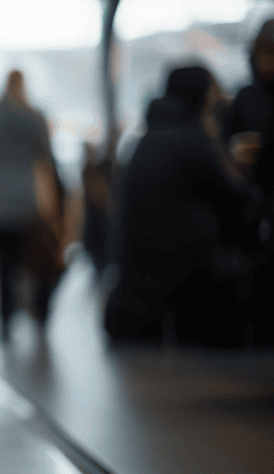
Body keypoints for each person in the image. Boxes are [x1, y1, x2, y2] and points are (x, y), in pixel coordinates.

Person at [105, 66, 255, 347]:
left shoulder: (146, 140)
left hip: (138, 290)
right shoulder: (192, 140)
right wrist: (236, 162)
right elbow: (237, 203)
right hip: (182, 288)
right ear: (200, 97)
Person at [0, 70, 66, 339]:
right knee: (36, 259)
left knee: (5, 265)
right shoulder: (34, 117)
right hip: (29, 201)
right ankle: (40, 314)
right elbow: (47, 159)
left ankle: (5, 317)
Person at [224, 19, 274, 179]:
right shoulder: (246, 96)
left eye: (272, 52)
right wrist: (235, 149)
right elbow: (226, 140)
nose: (265, 59)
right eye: (261, 51)